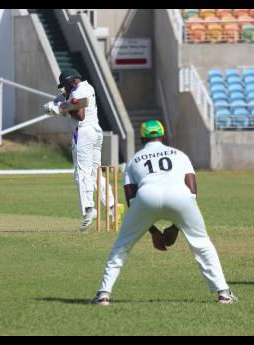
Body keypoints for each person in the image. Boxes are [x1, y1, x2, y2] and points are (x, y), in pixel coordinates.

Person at [91, 120, 238, 305]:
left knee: (122, 245)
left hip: (147, 195)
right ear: (163, 135)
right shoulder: (180, 155)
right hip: (180, 196)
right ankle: (224, 293)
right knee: (202, 244)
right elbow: (192, 190)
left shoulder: (133, 160)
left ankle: (103, 294)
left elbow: (131, 199)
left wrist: (152, 232)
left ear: (142, 138)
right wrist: (176, 227)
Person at [44, 68, 124, 232]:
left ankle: (88, 209)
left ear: (71, 80)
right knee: (95, 173)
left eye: (65, 85)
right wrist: (60, 103)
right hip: (96, 132)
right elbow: (70, 102)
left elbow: (80, 115)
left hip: (84, 132)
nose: (64, 89)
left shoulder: (78, 91)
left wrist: (60, 109)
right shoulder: (86, 88)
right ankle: (112, 206)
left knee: (81, 172)